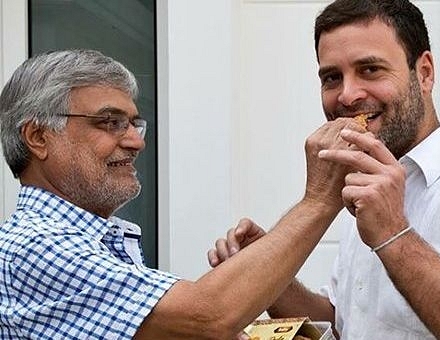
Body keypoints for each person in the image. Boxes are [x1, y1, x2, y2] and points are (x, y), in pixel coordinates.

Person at [0, 49, 358, 339]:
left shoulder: (92, 242)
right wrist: (320, 200)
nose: (136, 141)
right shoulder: (35, 246)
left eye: (134, 123)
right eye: (110, 122)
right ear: (38, 137)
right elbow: (210, 315)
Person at [208, 1, 440, 339]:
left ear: (424, 73)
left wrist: (392, 235)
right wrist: (269, 276)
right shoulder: (361, 177)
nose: (347, 96)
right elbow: (344, 321)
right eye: (332, 78)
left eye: (370, 70)